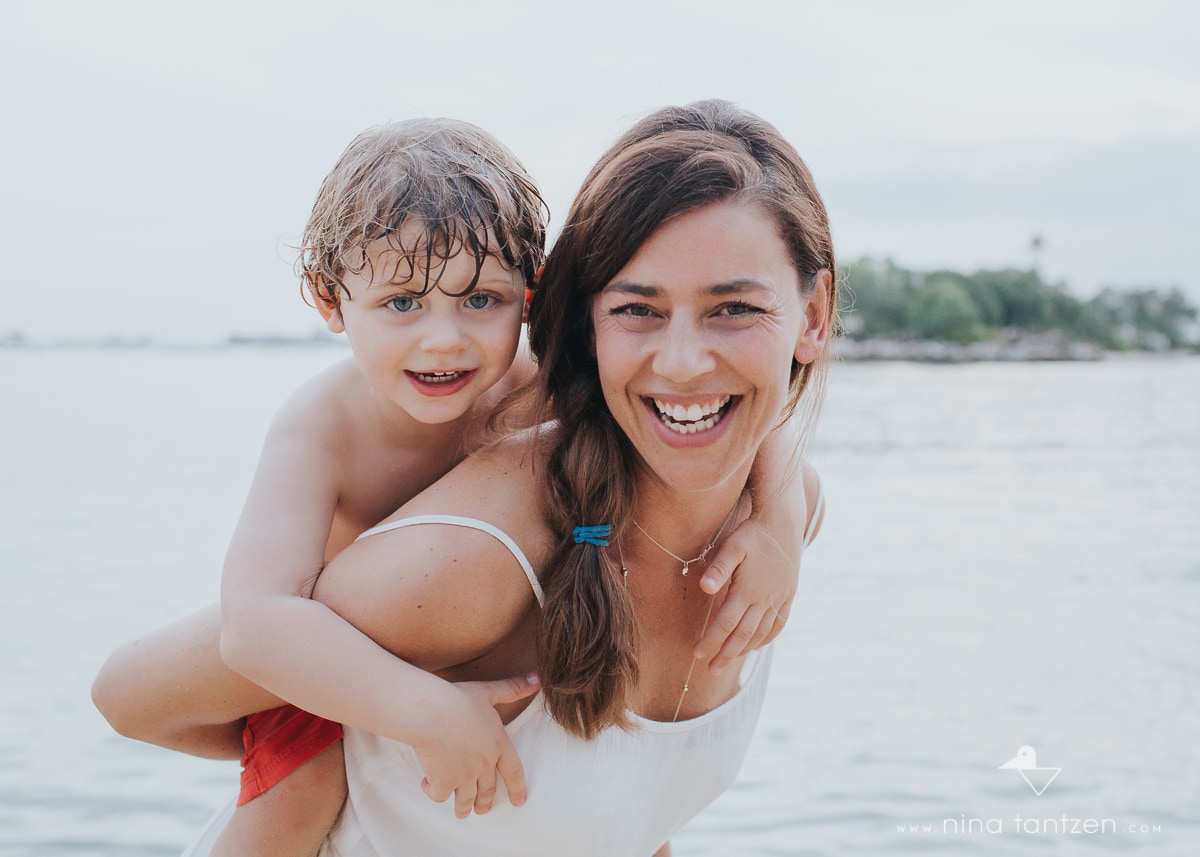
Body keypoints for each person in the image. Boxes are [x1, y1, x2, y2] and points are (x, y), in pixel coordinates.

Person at [91, 115, 807, 856]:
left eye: (480, 300)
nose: (444, 338)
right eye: (402, 303)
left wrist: (781, 519)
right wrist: (422, 709)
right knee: (295, 797)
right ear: (330, 299)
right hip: (327, 666)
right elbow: (255, 621)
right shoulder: (321, 425)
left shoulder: (536, 385)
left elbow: (730, 412)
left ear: (527, 297)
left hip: (432, 659)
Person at [294, 98, 835, 855]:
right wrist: (417, 707)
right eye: (638, 310)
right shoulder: (470, 559)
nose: (682, 360)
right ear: (586, 321)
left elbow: (631, 811)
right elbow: (134, 694)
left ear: (814, 316)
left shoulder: (782, 518)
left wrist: (777, 510)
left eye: (734, 308)